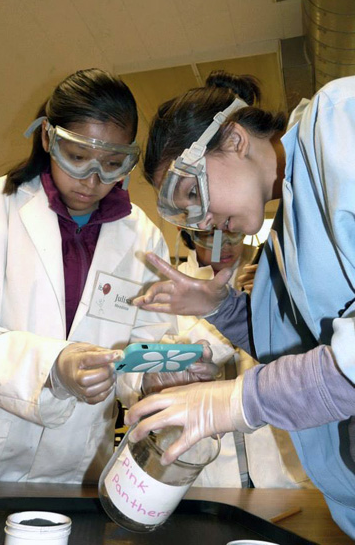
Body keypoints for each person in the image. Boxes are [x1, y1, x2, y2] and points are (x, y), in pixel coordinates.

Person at [0, 68, 217, 483]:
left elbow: (139, 347)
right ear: (47, 138)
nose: (92, 180)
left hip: (72, 468)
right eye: (76, 157)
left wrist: (154, 373)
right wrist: (54, 366)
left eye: (113, 164)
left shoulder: (142, 236)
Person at [126, 71, 355, 536]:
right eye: (185, 212)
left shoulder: (341, 122)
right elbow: (295, 358)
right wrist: (220, 308)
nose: (203, 219)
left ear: (232, 140)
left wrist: (238, 400)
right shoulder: (282, 241)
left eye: (192, 192)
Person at [178, 227, 312, 489]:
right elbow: (166, 359)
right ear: (188, 232)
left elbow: (303, 355)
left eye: (233, 234)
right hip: (207, 464)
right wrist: (231, 316)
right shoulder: (175, 282)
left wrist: (269, 304)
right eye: (210, 235)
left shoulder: (272, 268)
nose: (224, 245)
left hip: (279, 458)